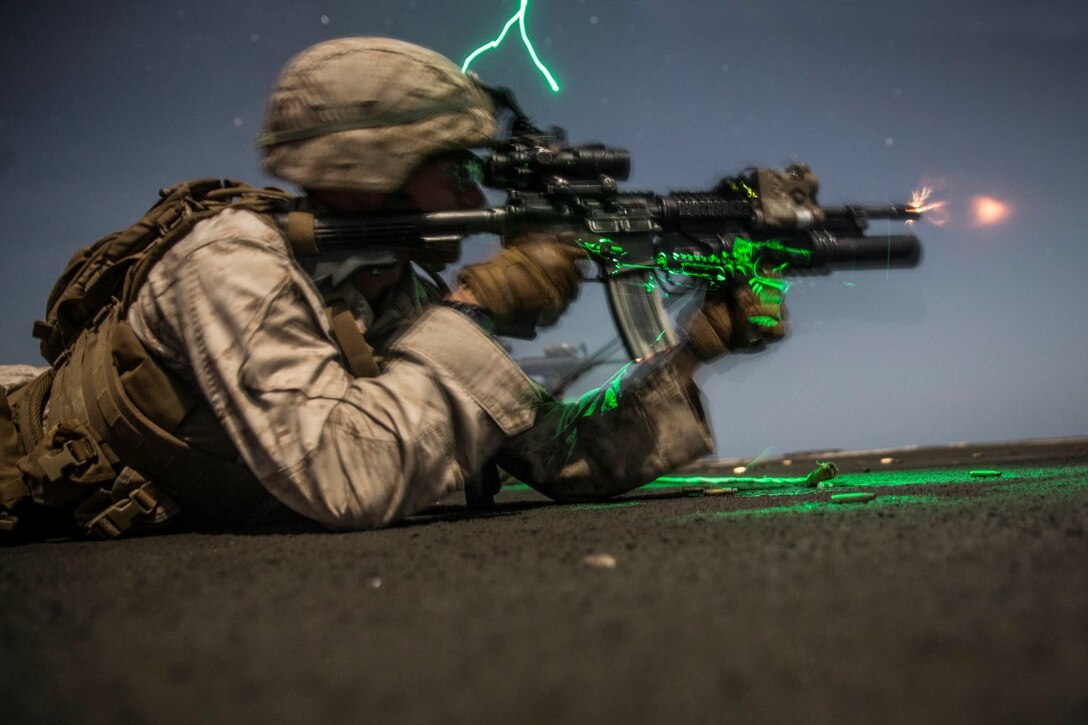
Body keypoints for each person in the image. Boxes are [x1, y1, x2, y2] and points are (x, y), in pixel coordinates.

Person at [0, 37, 783, 539]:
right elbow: (346, 477)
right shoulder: (232, 265)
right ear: (370, 172)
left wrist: (695, 351)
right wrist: (473, 311)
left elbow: (560, 456)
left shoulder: (384, 287)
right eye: (456, 171)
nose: (479, 203)